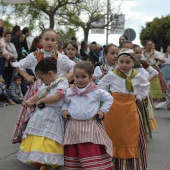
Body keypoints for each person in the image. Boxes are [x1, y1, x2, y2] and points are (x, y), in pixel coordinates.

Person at [11, 28, 75, 144]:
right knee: (32, 114)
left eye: (52, 40)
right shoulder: (34, 56)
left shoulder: (60, 57)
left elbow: (74, 68)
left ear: (56, 42)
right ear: (41, 40)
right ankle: (32, 141)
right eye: (47, 39)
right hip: (38, 89)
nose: (49, 42)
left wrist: (64, 78)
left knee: (53, 117)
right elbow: (19, 65)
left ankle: (51, 142)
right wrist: (27, 76)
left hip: (55, 89)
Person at [98, 49, 149, 170]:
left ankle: (130, 166)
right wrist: (108, 96)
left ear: (133, 63)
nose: (124, 65)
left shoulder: (137, 76)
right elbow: (101, 85)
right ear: (117, 62)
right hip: (114, 108)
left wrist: (139, 97)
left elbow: (145, 85)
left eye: (127, 62)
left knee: (130, 135)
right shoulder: (112, 74)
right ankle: (111, 163)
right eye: (121, 62)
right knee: (114, 134)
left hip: (130, 109)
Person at [17, 57, 69, 170]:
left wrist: (41, 101)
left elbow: (57, 96)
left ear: (49, 73)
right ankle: (40, 158)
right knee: (38, 135)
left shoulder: (62, 82)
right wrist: (31, 100)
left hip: (53, 114)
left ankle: (50, 160)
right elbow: (39, 94)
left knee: (48, 137)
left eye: (41, 78)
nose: (41, 81)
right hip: (41, 114)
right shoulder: (46, 84)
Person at [62, 61, 113, 170]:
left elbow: (109, 98)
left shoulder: (96, 91)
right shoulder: (70, 91)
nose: (80, 79)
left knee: (89, 149)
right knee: (74, 149)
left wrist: (102, 111)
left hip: (90, 126)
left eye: (83, 76)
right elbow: (66, 102)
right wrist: (65, 110)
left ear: (90, 77)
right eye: (77, 76)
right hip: (73, 126)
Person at [134, 45, 158, 130]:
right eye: (136, 53)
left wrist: (146, 81)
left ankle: (142, 131)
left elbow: (154, 72)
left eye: (140, 52)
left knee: (143, 111)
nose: (139, 55)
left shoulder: (142, 63)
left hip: (142, 91)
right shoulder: (126, 64)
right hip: (132, 91)